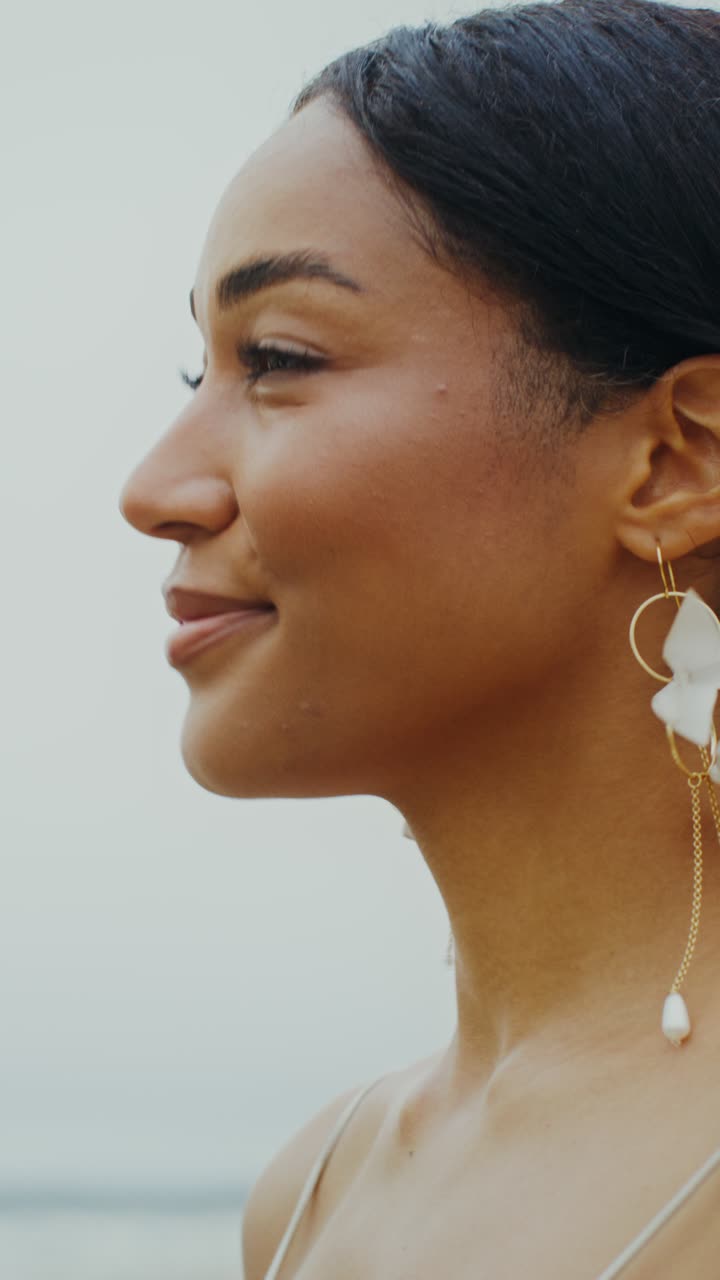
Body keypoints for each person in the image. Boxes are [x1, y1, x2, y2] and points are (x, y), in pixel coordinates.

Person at [118, 0, 720, 1273]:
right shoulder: (311, 1192)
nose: (154, 487)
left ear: (676, 458)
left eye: (276, 356)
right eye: (198, 374)